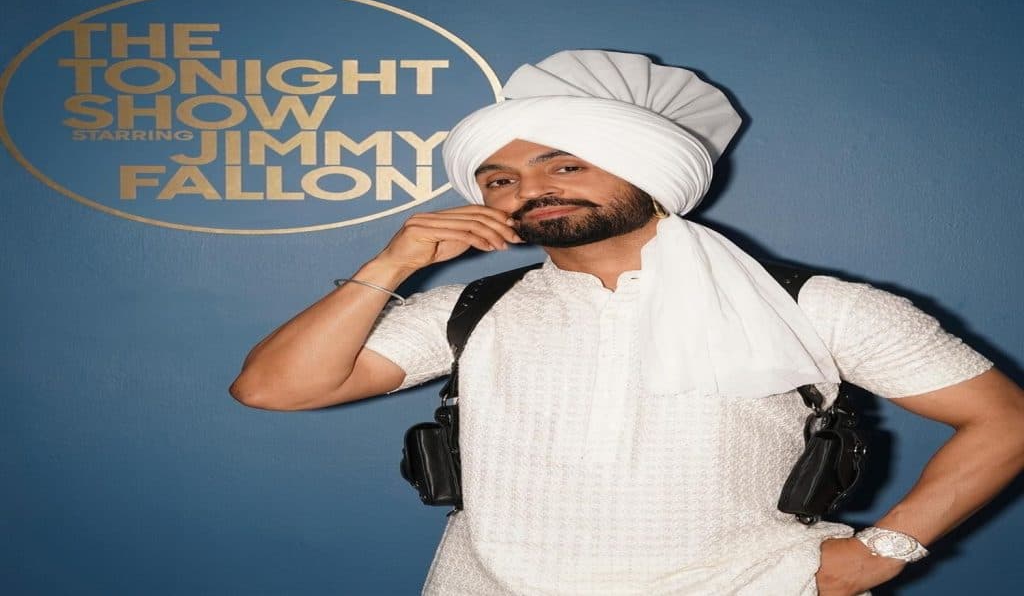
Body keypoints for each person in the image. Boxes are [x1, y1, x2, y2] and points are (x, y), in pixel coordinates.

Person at [230, 50, 1024, 595]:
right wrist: (392, 263)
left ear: (648, 170)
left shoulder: (814, 304)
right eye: (499, 179)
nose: (529, 189)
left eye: (564, 164)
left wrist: (883, 551)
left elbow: (1005, 422)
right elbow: (273, 389)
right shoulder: (471, 310)